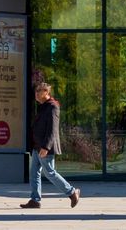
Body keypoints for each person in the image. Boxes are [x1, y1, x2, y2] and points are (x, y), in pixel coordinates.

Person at [21, 82, 81, 210]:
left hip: (44, 147)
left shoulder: (53, 107)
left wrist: (46, 147)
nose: (36, 94)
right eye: (36, 92)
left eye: (39, 92)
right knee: (34, 173)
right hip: (37, 146)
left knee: (50, 173)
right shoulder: (43, 106)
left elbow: (52, 129)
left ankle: (71, 192)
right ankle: (35, 200)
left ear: (46, 93)